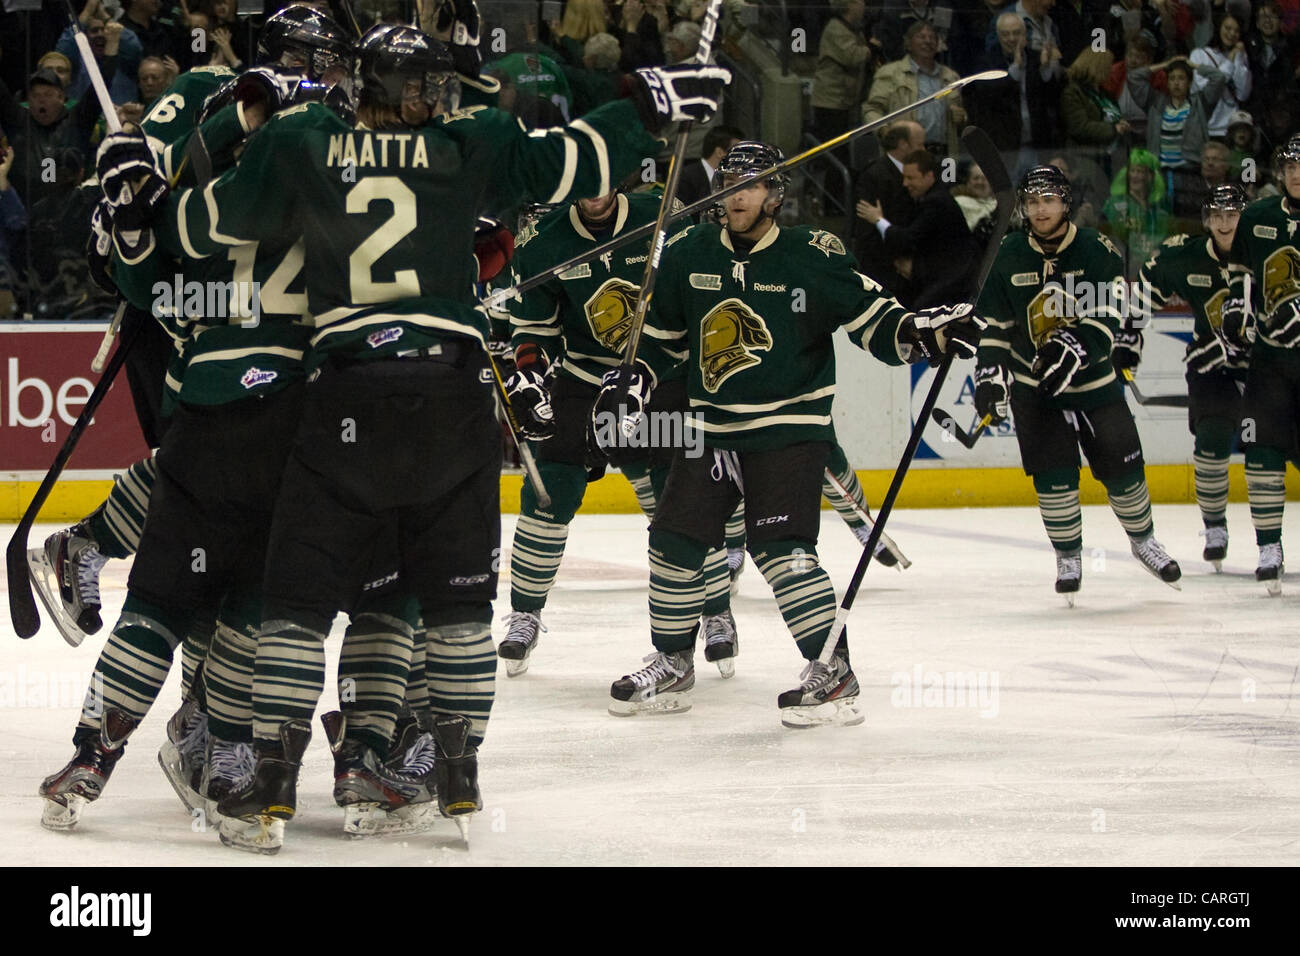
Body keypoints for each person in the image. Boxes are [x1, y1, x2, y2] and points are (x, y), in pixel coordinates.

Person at [155, 18, 726, 850]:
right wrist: (643, 101)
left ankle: (267, 785)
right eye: (424, 86)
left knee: (298, 607)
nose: (432, 98)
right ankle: (458, 778)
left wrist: (233, 134)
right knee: (454, 605)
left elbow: (205, 229)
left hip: (345, 395)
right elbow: (568, 165)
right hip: (449, 399)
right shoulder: (475, 139)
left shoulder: (307, 139)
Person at [598, 140, 983, 725]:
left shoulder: (811, 255)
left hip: (789, 429)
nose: (735, 195)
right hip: (711, 429)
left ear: (774, 195)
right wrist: (634, 380)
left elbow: (874, 320)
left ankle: (832, 672)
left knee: (783, 553)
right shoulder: (690, 250)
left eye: (748, 185)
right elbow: (660, 338)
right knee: (672, 543)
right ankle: (674, 660)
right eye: (728, 183)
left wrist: (927, 332)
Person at [499, 186, 740, 678]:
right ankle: (525, 612)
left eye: (601, 179)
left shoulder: (663, 219)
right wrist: (528, 370)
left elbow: (705, 290)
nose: (593, 193)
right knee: (549, 493)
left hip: (661, 376)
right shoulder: (542, 240)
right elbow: (534, 331)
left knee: (679, 505)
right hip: (585, 380)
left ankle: (716, 611)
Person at [974, 165, 1182, 603]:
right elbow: (995, 323)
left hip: (1094, 384)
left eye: (1048, 200)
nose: (1040, 209)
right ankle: (1068, 555)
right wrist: (990, 372)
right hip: (1035, 388)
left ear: (1066, 203)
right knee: (1053, 477)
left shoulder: (1097, 249)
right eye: (1032, 201)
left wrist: (1075, 344)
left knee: (1123, 469)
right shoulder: (1008, 252)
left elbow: (1109, 316)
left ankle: (1143, 541)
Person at [1133, 184, 1250, 570]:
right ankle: (1215, 526)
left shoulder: (1266, 253)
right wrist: (1128, 335)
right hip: (1212, 369)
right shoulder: (1188, 256)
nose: (1223, 222)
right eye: (1216, 215)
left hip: (1270, 365)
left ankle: (1272, 543)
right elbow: (1150, 282)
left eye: (1231, 214)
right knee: (1212, 444)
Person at [1222, 134, 1300, 594]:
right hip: (1270, 361)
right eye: (1288, 166)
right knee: (1262, 453)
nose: (1294, 173)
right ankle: (1269, 546)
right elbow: (1243, 278)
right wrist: (1237, 312)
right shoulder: (1259, 216)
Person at [856, 146, 978, 307]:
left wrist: (878, 220)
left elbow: (908, 239)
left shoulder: (936, 202)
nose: (905, 183)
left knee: (921, 313)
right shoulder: (929, 197)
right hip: (938, 273)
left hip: (953, 279)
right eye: (904, 178)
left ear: (928, 176)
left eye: (911, 178)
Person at [863, 21, 965, 155]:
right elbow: (871, 109)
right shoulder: (890, 73)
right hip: (906, 154)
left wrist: (962, 117)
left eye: (932, 37)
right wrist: (884, 131)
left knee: (950, 177)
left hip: (946, 156)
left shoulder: (951, 77)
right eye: (921, 37)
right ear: (908, 43)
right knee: (910, 177)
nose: (927, 41)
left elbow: (960, 118)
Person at [811, 0, 873, 143]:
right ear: (848, 4)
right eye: (859, 2)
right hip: (830, 100)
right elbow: (852, 56)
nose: (864, 5)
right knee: (832, 143)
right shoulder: (835, 28)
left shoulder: (854, 29)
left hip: (846, 99)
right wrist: (871, 48)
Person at [1189, 11, 1252, 140]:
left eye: (1237, 31)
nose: (1232, 34)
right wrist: (1230, 60)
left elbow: (1243, 94)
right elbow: (1208, 90)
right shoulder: (1199, 55)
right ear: (1218, 28)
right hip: (1206, 126)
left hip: (1231, 127)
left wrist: (1239, 58)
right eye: (1228, 28)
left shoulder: (1238, 55)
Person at [677, 123, 743, 212]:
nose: (742, 157)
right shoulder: (686, 176)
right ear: (720, 152)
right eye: (737, 152)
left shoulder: (736, 177)